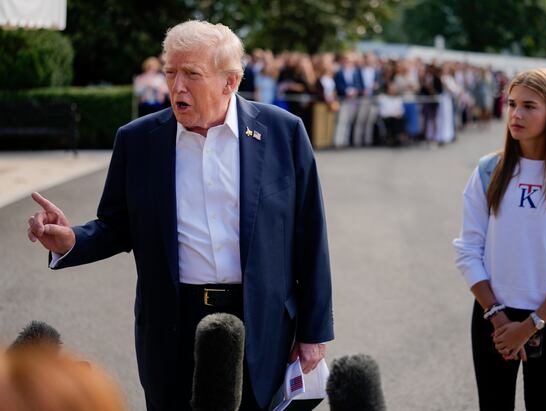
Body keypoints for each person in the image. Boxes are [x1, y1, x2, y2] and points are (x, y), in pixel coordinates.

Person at [27, 20, 334, 411]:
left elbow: (311, 237)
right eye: (170, 72)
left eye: (192, 74)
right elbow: (116, 226)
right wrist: (71, 241)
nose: (176, 86)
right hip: (172, 323)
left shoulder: (283, 133)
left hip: (261, 321)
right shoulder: (138, 140)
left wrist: (313, 332)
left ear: (230, 82)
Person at [453, 68, 546, 410]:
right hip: (493, 316)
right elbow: (468, 250)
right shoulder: (488, 170)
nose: (516, 114)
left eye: (529, 106)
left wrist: (531, 325)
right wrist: (498, 316)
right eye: (512, 104)